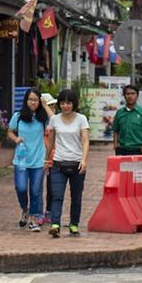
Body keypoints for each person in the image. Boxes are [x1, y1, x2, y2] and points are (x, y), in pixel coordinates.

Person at [46, 88, 91, 238]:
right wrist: (47, 160)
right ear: (59, 104)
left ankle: (73, 224)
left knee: (76, 197)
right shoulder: (54, 119)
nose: (66, 106)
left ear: (74, 104)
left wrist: (84, 160)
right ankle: (55, 225)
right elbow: (51, 141)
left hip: (77, 163)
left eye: (69, 103)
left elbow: (85, 141)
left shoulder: (81, 119)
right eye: (63, 103)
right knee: (57, 195)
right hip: (58, 163)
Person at [7, 89, 50, 228]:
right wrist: (16, 138)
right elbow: (9, 131)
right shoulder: (18, 116)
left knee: (36, 191)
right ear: (26, 100)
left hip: (38, 158)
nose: (33, 102)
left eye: (36, 100)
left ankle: (33, 218)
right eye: (30, 99)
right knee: (21, 188)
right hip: (21, 159)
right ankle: (25, 209)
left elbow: (55, 120)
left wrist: (45, 105)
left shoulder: (43, 118)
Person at [108, 84, 142, 156]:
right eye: (127, 94)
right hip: (121, 150)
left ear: (137, 96)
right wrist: (116, 145)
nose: (130, 96)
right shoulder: (120, 113)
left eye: (133, 93)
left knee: (138, 167)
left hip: (139, 150)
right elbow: (115, 130)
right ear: (124, 96)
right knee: (122, 168)